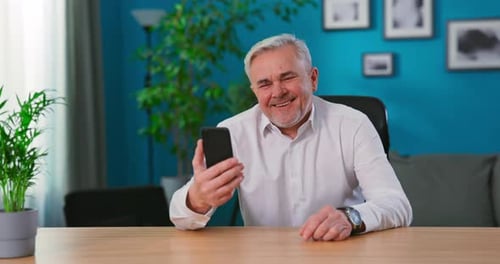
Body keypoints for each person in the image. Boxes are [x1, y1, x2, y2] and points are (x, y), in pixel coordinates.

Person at [169, 33, 412, 241]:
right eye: (264, 84)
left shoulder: (354, 124)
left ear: (313, 78)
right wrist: (197, 199)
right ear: (254, 91)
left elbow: (397, 205)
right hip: (264, 257)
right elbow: (179, 216)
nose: (278, 92)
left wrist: (351, 217)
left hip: (341, 251)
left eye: (287, 77)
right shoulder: (234, 132)